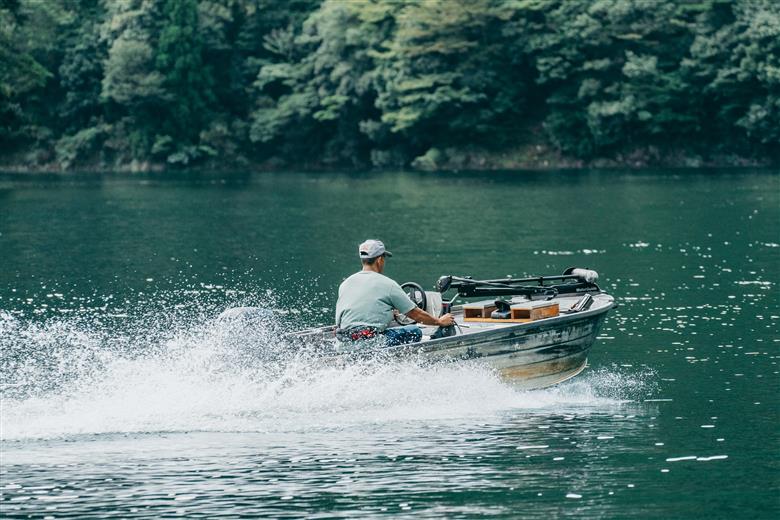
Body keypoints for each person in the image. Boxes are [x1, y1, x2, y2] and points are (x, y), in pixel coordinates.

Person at [335, 239, 455, 346]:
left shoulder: (345, 284)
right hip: (373, 343)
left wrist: (389, 314)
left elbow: (349, 317)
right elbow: (415, 314)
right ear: (379, 260)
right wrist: (439, 321)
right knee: (415, 331)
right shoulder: (388, 284)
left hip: (345, 342)